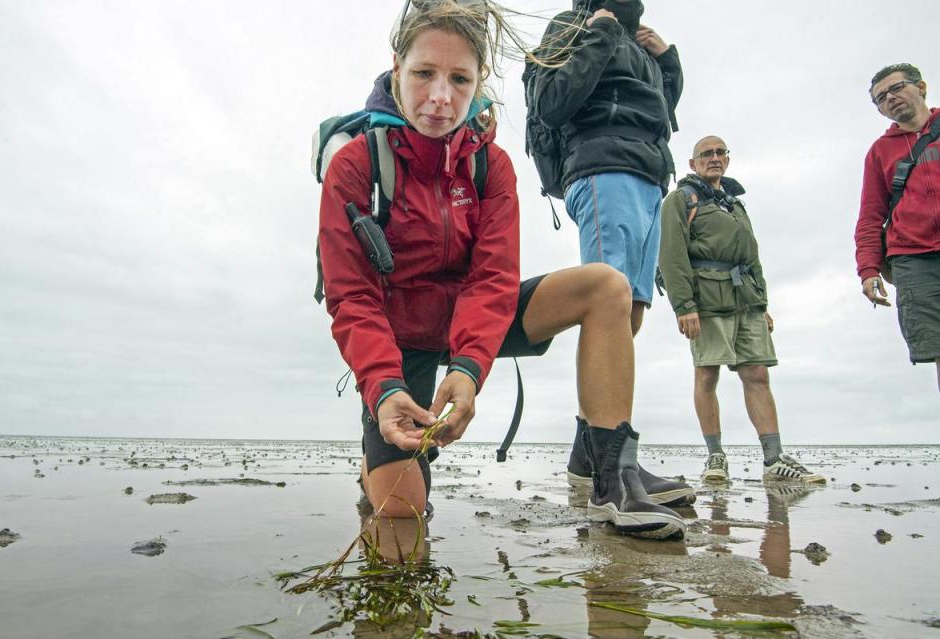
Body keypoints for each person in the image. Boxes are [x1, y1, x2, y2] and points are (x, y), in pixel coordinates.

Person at [319, 0, 692, 540]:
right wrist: (382, 387)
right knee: (401, 512)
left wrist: (469, 369)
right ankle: (373, 467)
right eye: (424, 74)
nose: (441, 98)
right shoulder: (354, 164)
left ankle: (612, 475)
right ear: (396, 66)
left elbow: (493, 278)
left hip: (476, 318)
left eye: (459, 79)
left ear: (478, 82)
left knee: (607, 286)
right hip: (401, 339)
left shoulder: (490, 165)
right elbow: (351, 295)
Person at [657, 136, 826, 485]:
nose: (714, 158)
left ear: (728, 160)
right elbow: (671, 254)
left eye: (720, 153)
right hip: (706, 299)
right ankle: (715, 456)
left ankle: (774, 459)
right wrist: (684, 305)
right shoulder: (680, 199)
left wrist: (761, 304)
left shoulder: (735, 205)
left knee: (758, 375)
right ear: (693, 163)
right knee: (707, 374)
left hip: (746, 300)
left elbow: (752, 258)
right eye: (706, 154)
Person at [531, 0, 682, 339]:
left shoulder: (641, 44)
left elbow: (661, 114)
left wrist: (668, 62)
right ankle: (514, 323)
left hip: (651, 177)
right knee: (607, 300)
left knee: (633, 310)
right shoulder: (572, 24)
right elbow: (550, 104)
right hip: (603, 166)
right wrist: (600, 34)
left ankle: (616, 392)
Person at [855, 63, 940, 391]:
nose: (889, 98)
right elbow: (870, 216)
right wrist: (868, 270)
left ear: (920, 87)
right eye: (880, 98)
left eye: (896, 88)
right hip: (914, 260)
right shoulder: (880, 152)